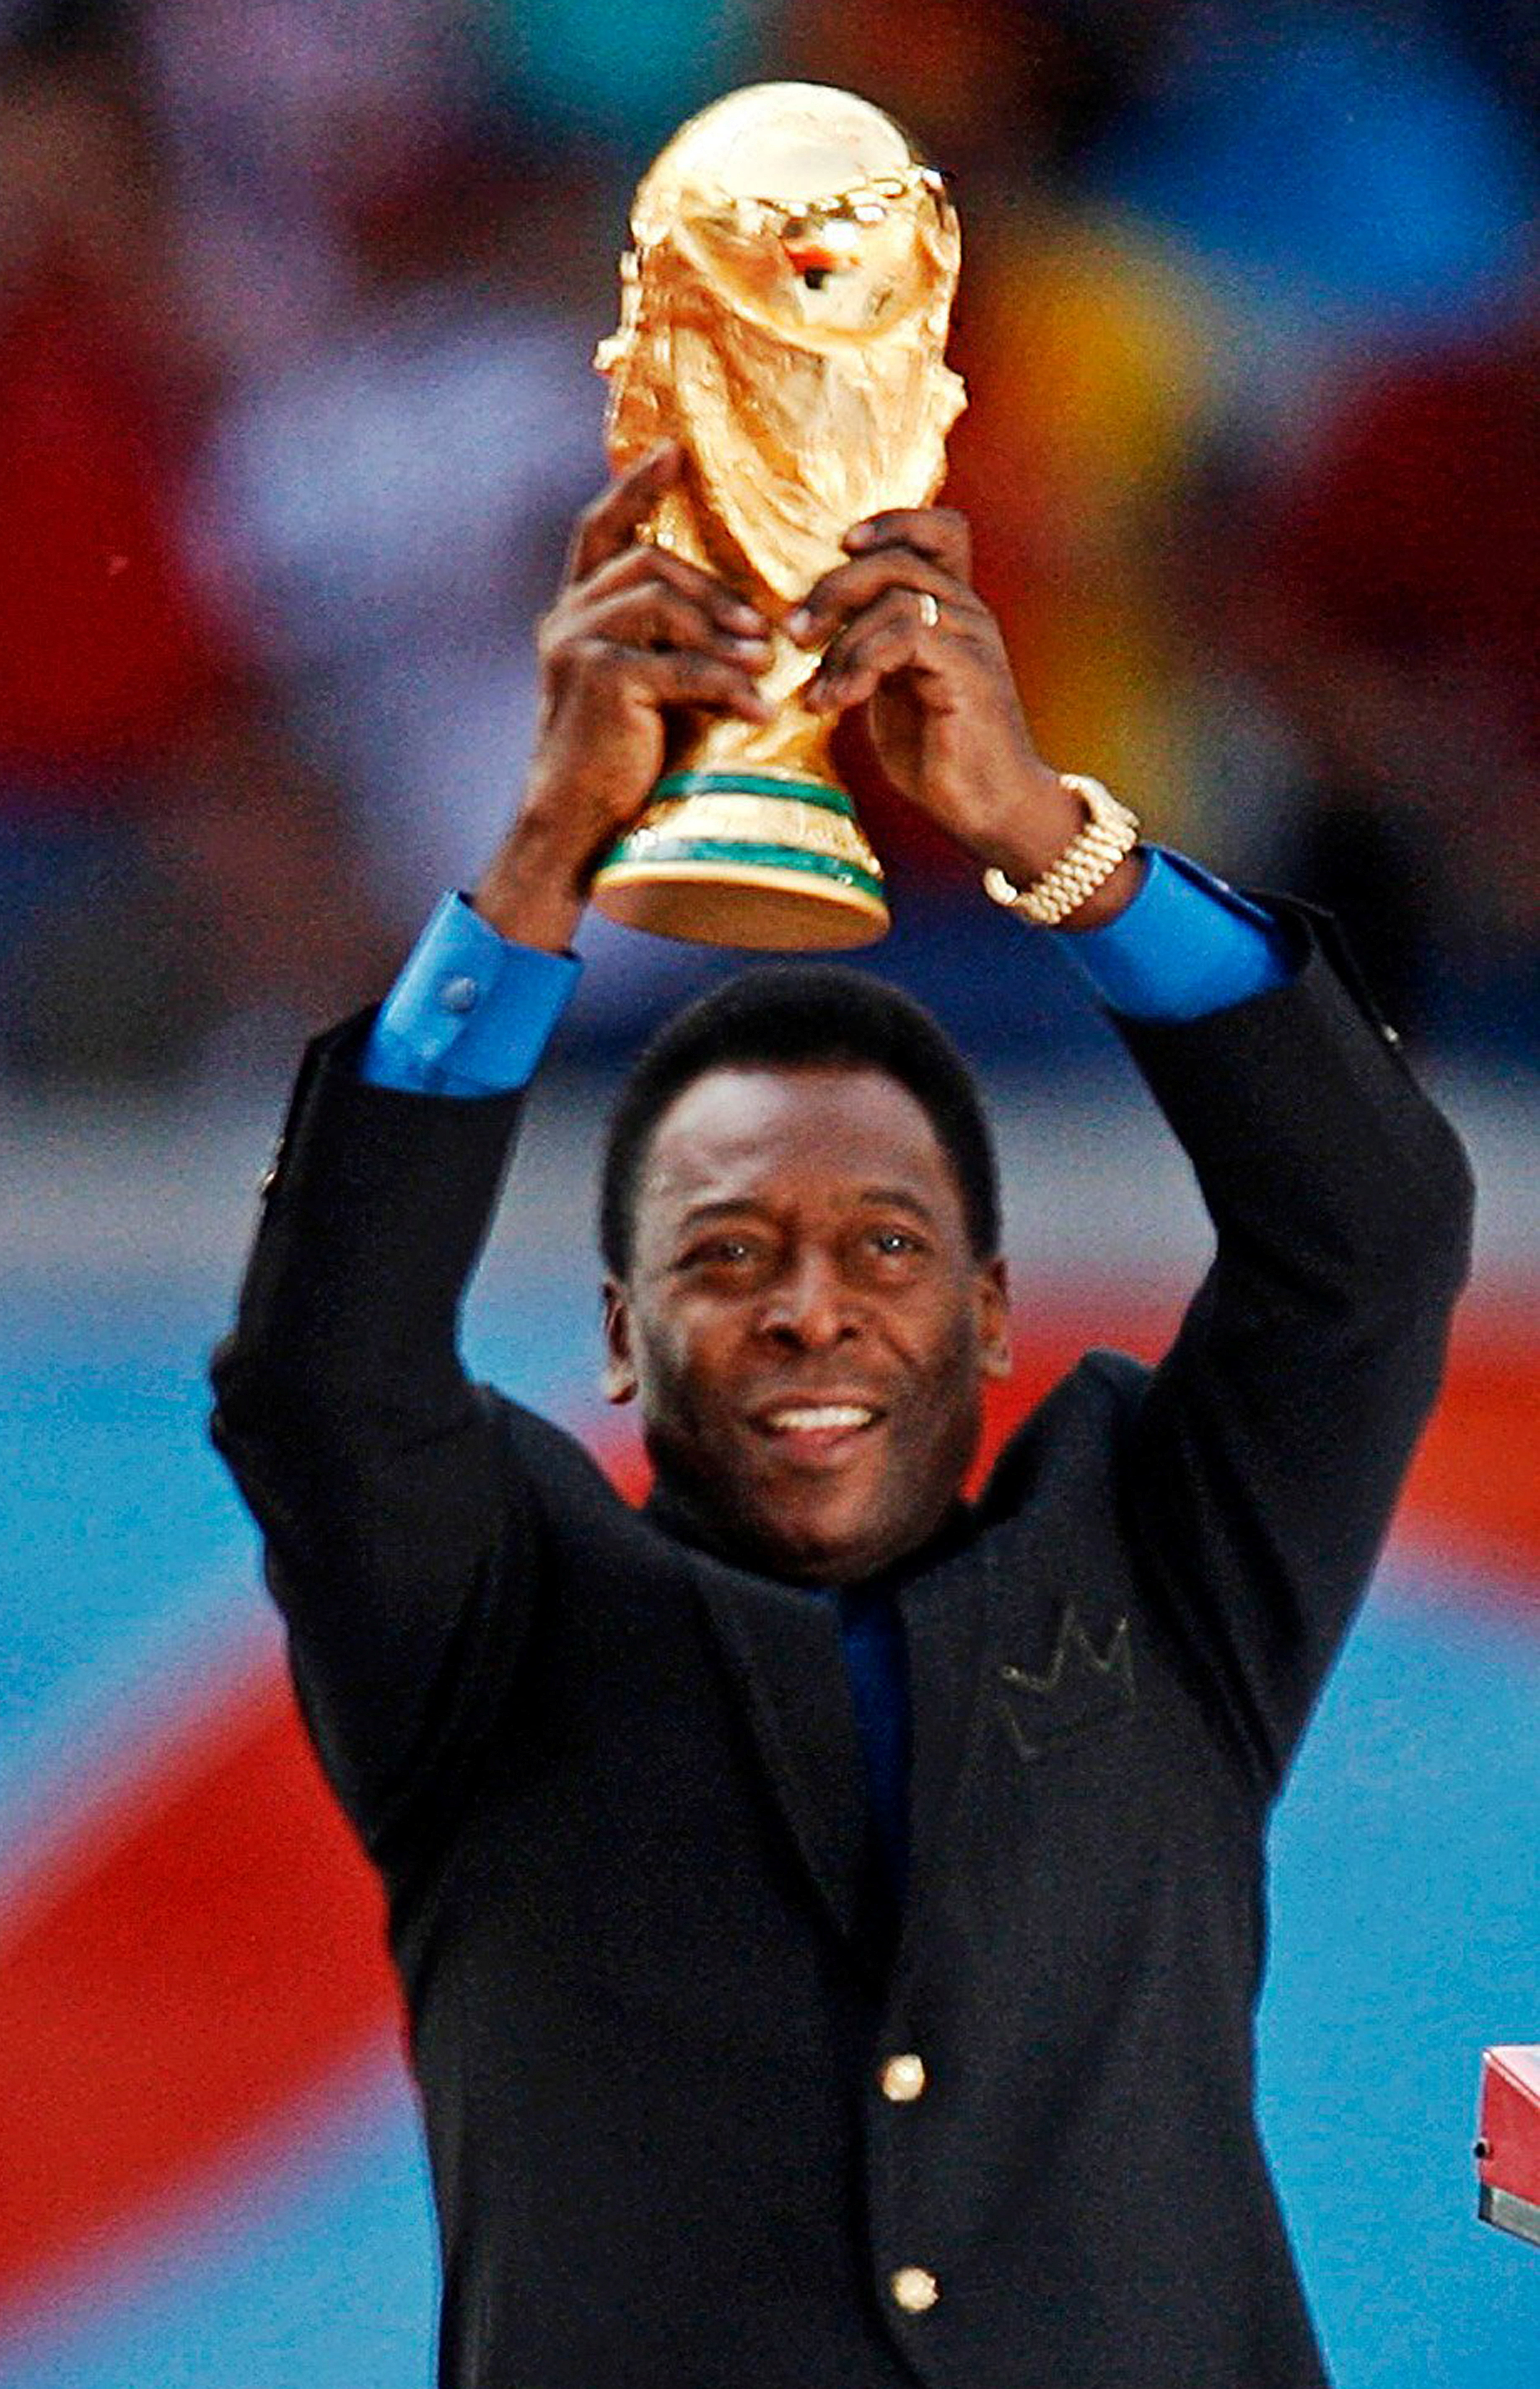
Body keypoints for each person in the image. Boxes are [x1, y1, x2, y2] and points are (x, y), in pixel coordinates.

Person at [207, 440, 1471, 2386]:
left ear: (990, 1314)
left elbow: (1368, 1236)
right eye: (728, 1257)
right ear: (623, 1335)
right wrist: (545, 851)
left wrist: (1046, 835)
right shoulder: (496, 1637)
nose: (811, 1308)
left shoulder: (1166, 1573)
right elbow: (325, 1382)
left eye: (886, 1248)